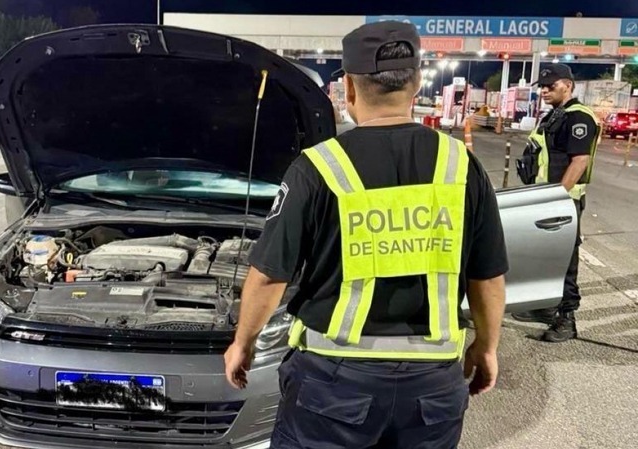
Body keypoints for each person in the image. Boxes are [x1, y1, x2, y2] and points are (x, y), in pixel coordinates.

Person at [223, 21, 508, 448]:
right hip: (431, 386)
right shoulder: (460, 165)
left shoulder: (318, 167)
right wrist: (486, 347)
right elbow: (487, 277)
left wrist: (243, 344)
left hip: (333, 384)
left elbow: (268, 276)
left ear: (350, 90)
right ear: (416, 84)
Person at [511, 64, 602, 342]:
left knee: (565, 259)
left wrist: (557, 197)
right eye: (542, 86)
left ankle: (567, 319)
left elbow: (579, 161)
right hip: (545, 196)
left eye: (551, 86)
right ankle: (546, 307)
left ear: (568, 85)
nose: (544, 90)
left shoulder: (578, 117)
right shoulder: (555, 115)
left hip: (563, 200)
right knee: (545, 255)